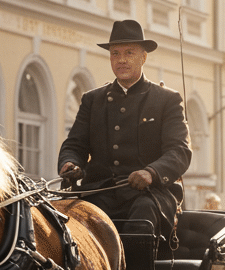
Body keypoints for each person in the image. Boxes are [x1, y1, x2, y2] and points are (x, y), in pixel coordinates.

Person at [58, 19, 191, 242]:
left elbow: (179, 151)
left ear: (143, 57)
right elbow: (74, 145)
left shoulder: (166, 100)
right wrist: (70, 163)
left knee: (141, 221)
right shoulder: (93, 100)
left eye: (129, 53)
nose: (121, 60)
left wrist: (151, 172)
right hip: (98, 192)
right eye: (115, 53)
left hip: (150, 195)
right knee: (65, 223)